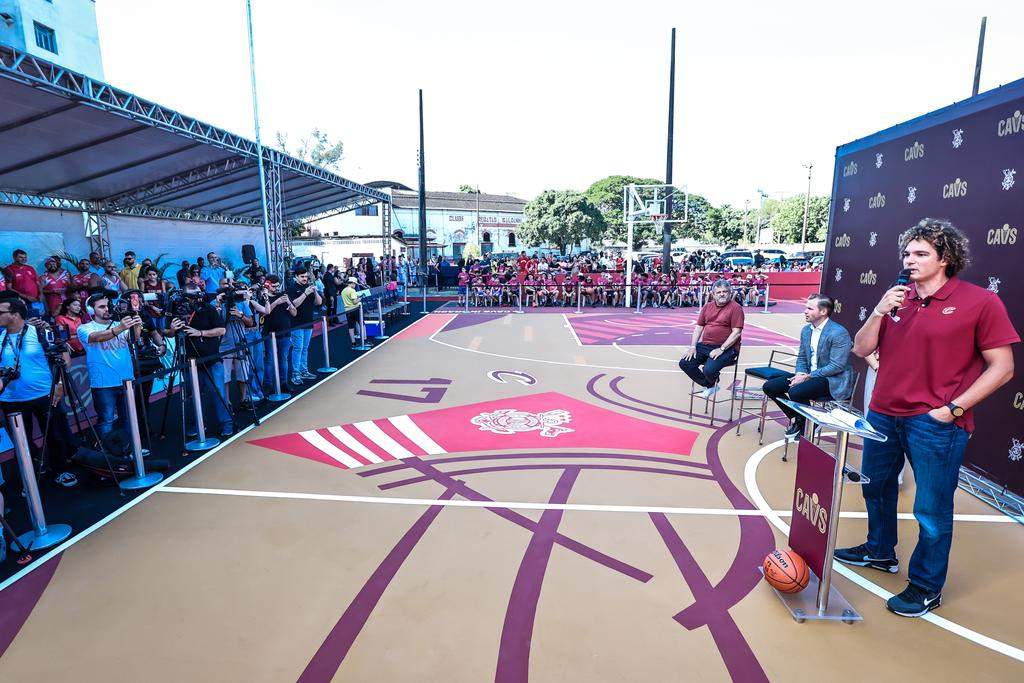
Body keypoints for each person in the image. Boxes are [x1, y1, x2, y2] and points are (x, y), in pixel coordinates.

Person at [835, 218, 1019, 617]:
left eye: (921, 253)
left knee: (931, 510)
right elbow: (861, 346)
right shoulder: (898, 299)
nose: (910, 260)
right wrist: (880, 311)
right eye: (907, 252)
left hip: (934, 423)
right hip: (883, 414)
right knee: (876, 489)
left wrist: (953, 409)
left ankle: (925, 586)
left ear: (946, 258)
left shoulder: (980, 302)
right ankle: (880, 551)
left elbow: (1002, 368)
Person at [0, 293, 78, 487]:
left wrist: (59, 385)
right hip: (10, 399)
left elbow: (64, 357)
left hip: (45, 394)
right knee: (21, 441)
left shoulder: (40, 333)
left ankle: (60, 469)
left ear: (15, 314)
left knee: (54, 434)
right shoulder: (0, 338)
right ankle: (34, 470)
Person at [762, 294, 854, 439]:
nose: (805, 311)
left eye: (810, 308)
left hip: (832, 380)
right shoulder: (806, 330)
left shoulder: (838, 332)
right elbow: (802, 357)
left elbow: (837, 366)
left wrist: (808, 376)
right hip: (808, 376)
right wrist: (800, 373)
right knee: (770, 387)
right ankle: (802, 419)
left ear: (823, 312)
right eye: (806, 307)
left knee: (796, 392)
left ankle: (806, 422)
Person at [168, 283, 233, 437]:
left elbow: (222, 329)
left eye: (199, 294)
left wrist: (200, 333)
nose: (198, 298)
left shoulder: (208, 308)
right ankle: (196, 425)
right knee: (191, 396)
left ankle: (227, 423)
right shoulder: (175, 309)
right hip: (187, 361)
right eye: (193, 296)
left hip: (211, 359)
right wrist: (172, 329)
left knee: (218, 392)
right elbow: (166, 333)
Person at [78, 293, 142, 438]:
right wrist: (120, 327)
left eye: (108, 306)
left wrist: (137, 324)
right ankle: (110, 456)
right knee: (106, 420)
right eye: (102, 307)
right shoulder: (84, 327)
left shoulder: (119, 324)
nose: (107, 309)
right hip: (103, 383)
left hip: (126, 379)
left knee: (129, 418)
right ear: (91, 310)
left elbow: (133, 338)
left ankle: (130, 450)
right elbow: (96, 337)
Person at [679, 280, 744, 398]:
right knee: (685, 363)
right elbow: (699, 327)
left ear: (730, 293)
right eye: (718, 292)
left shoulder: (736, 308)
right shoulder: (707, 307)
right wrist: (693, 346)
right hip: (706, 345)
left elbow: (737, 333)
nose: (722, 294)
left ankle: (710, 382)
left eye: (725, 291)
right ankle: (711, 385)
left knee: (709, 370)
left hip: (728, 348)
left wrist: (721, 349)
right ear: (713, 294)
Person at [251, 275, 296, 393]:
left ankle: (284, 383)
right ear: (268, 285)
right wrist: (276, 302)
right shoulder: (264, 298)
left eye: (277, 285)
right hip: (269, 333)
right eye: (274, 286)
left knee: (284, 359)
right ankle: (268, 384)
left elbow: (294, 313)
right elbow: (265, 312)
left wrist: (289, 304)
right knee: (269, 359)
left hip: (285, 333)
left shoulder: (284, 295)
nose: (276, 288)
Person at [287, 267, 322, 385]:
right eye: (302, 276)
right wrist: (305, 293)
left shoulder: (309, 287)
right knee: (298, 348)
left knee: (305, 348)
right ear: (296, 277)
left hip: (308, 322)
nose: (305, 279)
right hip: (296, 323)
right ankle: (295, 374)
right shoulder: (291, 288)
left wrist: (315, 291)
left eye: (306, 276)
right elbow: (293, 304)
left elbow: (319, 302)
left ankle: (304, 370)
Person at [5, 249, 42, 315]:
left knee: (38, 319)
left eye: (25, 257)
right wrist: (26, 297)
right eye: (21, 257)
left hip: (35, 300)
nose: (23, 259)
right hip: (20, 301)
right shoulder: (9, 270)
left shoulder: (30, 268)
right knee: (26, 319)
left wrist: (41, 294)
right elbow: (9, 288)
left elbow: (38, 283)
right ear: (14, 257)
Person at [340, 277, 364, 346]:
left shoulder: (343, 291)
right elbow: (354, 302)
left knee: (351, 327)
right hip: (355, 309)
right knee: (362, 324)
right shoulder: (352, 290)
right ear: (353, 283)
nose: (355, 285)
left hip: (347, 310)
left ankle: (353, 342)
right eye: (355, 284)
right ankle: (364, 340)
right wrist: (361, 298)